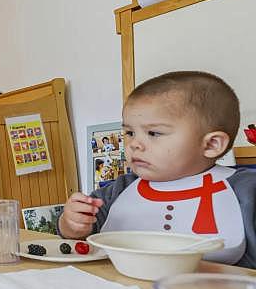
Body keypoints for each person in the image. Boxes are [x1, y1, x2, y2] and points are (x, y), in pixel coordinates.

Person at [59, 71, 256, 268]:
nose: (134, 144)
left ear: (212, 144)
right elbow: (83, 235)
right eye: (129, 132)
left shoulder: (246, 190)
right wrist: (71, 225)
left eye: (153, 133)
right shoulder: (119, 190)